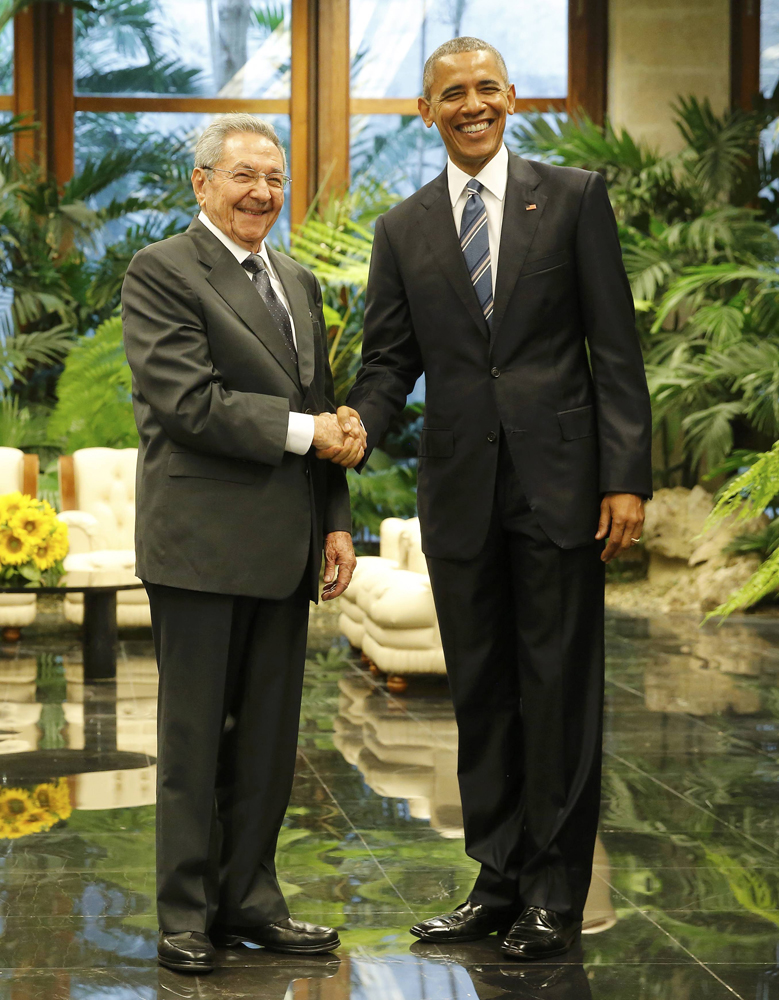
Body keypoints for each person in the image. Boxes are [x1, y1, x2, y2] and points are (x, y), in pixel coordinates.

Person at [339, 38, 652, 960]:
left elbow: (614, 348)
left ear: (510, 97)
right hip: (460, 491)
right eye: (451, 93)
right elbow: (389, 361)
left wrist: (624, 476)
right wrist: (356, 423)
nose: (471, 104)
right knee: (481, 693)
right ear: (425, 111)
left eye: (485, 88)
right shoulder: (401, 229)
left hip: (561, 485)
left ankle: (554, 891)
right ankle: (497, 879)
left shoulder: (573, 198)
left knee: (557, 692)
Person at [121, 114, 366, 974]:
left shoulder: (295, 279)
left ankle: (251, 903)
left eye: (274, 177)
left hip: (285, 546)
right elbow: (188, 403)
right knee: (195, 741)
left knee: (265, 740)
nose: (262, 192)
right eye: (243, 176)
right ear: (201, 183)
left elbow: (321, 400)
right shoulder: (160, 270)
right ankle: (186, 915)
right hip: (199, 545)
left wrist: (335, 520)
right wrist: (310, 434)